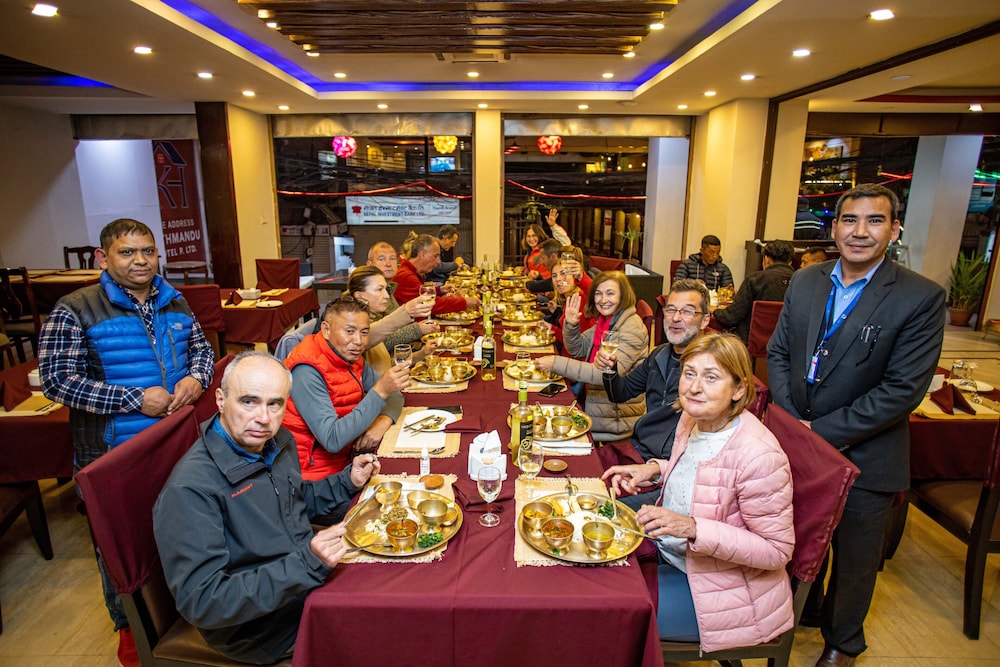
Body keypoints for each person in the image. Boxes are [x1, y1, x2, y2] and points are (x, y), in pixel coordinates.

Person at [767, 184, 946, 667]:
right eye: (850, 220)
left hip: (868, 452)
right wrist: (793, 421)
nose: (860, 231)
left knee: (855, 558)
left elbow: (901, 390)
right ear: (834, 228)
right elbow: (778, 352)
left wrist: (817, 432)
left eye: (875, 220)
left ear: (894, 229)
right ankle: (808, 610)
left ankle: (842, 643)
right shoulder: (806, 280)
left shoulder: (919, 297)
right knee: (802, 537)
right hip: (801, 442)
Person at [37, 217, 215, 666]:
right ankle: (134, 638)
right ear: (103, 258)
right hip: (115, 455)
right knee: (123, 552)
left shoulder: (174, 300)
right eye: (127, 252)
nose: (141, 261)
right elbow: (57, 381)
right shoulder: (75, 308)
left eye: (148, 251)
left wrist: (197, 377)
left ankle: (190, 619)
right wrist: (133, 398)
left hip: (176, 445)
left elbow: (202, 350)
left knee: (183, 530)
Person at [153, 351, 380, 664]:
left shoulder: (274, 441)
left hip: (302, 582)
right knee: (383, 634)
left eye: (275, 404)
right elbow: (204, 601)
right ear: (220, 400)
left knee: (398, 590)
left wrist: (346, 482)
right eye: (249, 401)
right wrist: (307, 564)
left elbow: (294, 501)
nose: (263, 418)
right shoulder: (190, 490)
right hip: (261, 630)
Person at [603, 333, 794, 653]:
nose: (694, 387)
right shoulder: (693, 418)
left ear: (739, 389)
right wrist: (655, 469)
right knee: (590, 562)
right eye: (689, 373)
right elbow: (701, 472)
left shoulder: (759, 455)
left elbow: (776, 551)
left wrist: (692, 528)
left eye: (711, 377)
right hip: (674, 555)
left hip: (723, 593)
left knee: (607, 611)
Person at [599, 279, 710, 507]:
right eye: (671, 309)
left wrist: (657, 470)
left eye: (687, 311)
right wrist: (610, 369)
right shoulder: (660, 355)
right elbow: (621, 393)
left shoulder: (710, 369)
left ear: (705, 319)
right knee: (582, 471)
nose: (676, 318)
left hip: (670, 472)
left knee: (602, 505)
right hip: (639, 450)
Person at [282, 297, 407, 484]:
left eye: (364, 332)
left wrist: (383, 421)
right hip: (312, 480)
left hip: (348, 460)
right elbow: (332, 440)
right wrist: (380, 391)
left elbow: (395, 394)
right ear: (326, 330)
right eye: (349, 331)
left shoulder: (348, 356)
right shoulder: (307, 370)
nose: (358, 341)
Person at [536, 270, 647, 440]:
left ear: (623, 296)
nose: (603, 300)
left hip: (613, 418)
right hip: (594, 402)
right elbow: (577, 349)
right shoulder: (606, 320)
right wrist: (571, 325)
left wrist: (555, 363)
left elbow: (605, 375)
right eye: (598, 293)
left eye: (610, 293)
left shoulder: (631, 328)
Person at [347, 265, 437, 372]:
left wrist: (422, 354)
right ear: (359, 295)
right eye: (379, 289)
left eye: (385, 289)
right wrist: (406, 312)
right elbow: (366, 336)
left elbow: (385, 365)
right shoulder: (352, 327)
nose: (386, 296)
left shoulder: (369, 320)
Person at [713, 239, 795, 343]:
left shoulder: (755, 280)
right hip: (788, 344)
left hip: (752, 343)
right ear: (790, 262)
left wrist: (715, 311)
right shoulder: (802, 282)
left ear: (766, 259)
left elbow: (731, 317)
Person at [393, 233, 480, 315]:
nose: (438, 261)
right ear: (422, 255)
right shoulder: (406, 276)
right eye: (435, 256)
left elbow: (420, 295)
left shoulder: (412, 272)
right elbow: (430, 305)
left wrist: (439, 290)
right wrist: (464, 302)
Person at [540, 257, 595, 347]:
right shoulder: (569, 298)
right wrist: (551, 327)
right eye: (554, 275)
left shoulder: (582, 297)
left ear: (574, 276)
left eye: (563, 273)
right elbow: (569, 339)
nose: (558, 279)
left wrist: (581, 277)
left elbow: (595, 293)